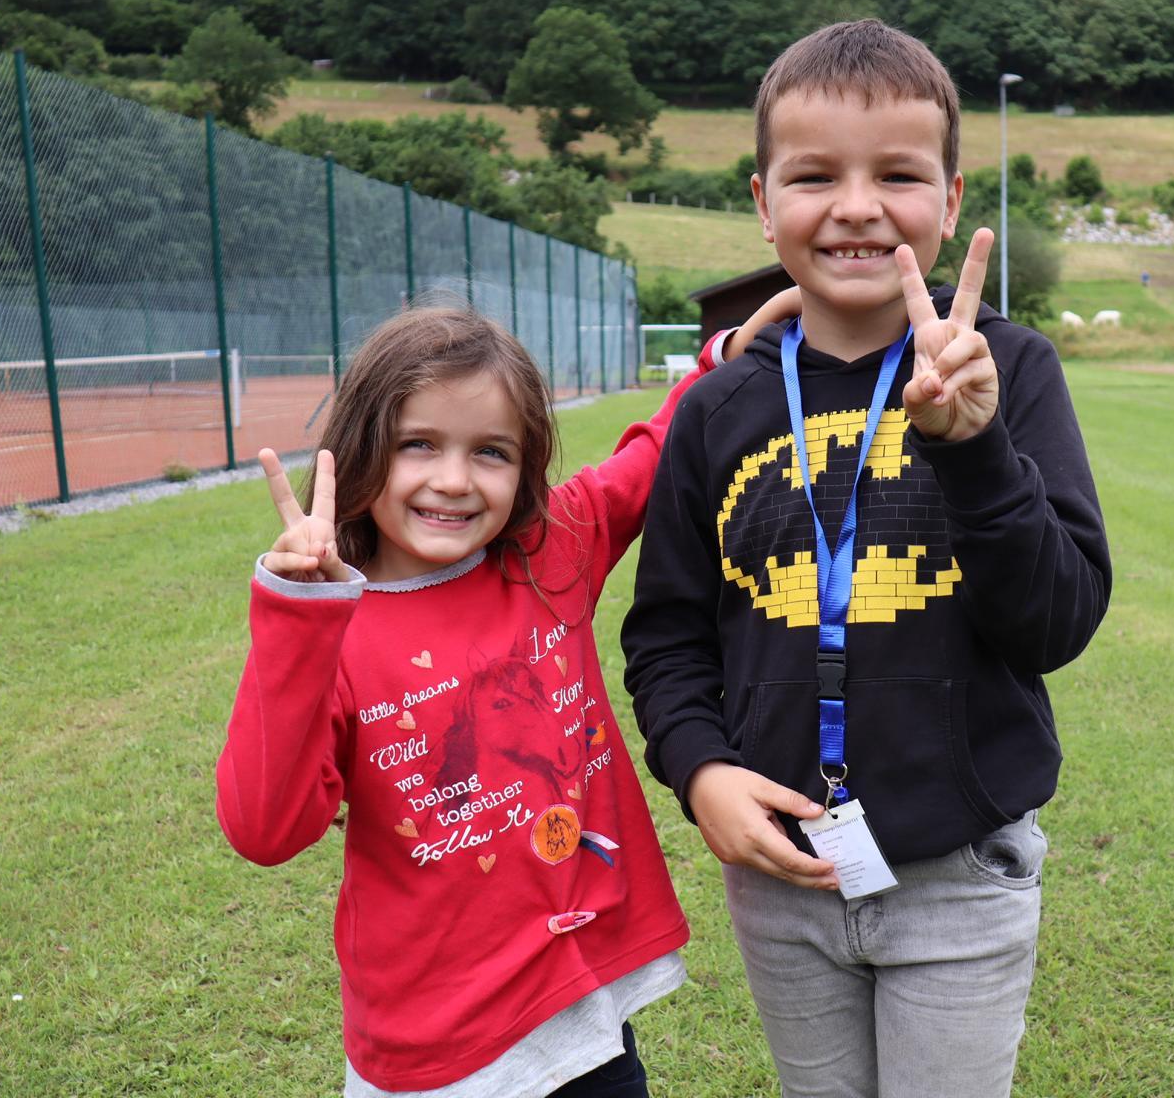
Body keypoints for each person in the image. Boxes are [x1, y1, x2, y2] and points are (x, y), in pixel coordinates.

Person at [623, 19, 1112, 1097]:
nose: (856, 206)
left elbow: (1057, 620)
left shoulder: (1009, 373)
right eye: (815, 176)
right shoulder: (717, 409)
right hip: (784, 878)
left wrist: (974, 446)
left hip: (960, 874)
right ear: (764, 203)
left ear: (950, 197)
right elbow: (666, 635)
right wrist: (700, 768)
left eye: (897, 173)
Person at [215, 297, 793, 1098]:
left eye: (491, 451)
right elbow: (265, 830)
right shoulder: (330, 630)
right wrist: (297, 617)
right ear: (359, 446)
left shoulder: (550, 551)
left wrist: (720, 358)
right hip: (434, 1054)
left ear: (526, 468)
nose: (453, 481)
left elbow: (647, 458)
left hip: (584, 1026)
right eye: (418, 443)